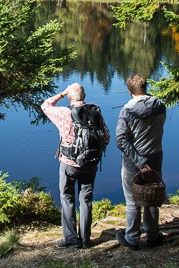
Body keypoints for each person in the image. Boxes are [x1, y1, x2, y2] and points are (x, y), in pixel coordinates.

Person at [41, 83, 110, 249]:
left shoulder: (64, 113)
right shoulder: (95, 113)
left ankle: (71, 240)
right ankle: (86, 240)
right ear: (84, 96)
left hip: (69, 163)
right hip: (91, 163)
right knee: (86, 199)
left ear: (70, 97)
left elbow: (45, 105)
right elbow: (106, 137)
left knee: (67, 197)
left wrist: (62, 93)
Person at [115, 73, 166, 250]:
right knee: (152, 197)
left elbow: (120, 139)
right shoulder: (160, 106)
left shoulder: (126, 111)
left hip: (133, 162)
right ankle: (152, 236)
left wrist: (139, 160)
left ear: (130, 92)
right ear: (146, 88)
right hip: (155, 157)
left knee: (132, 200)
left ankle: (132, 238)